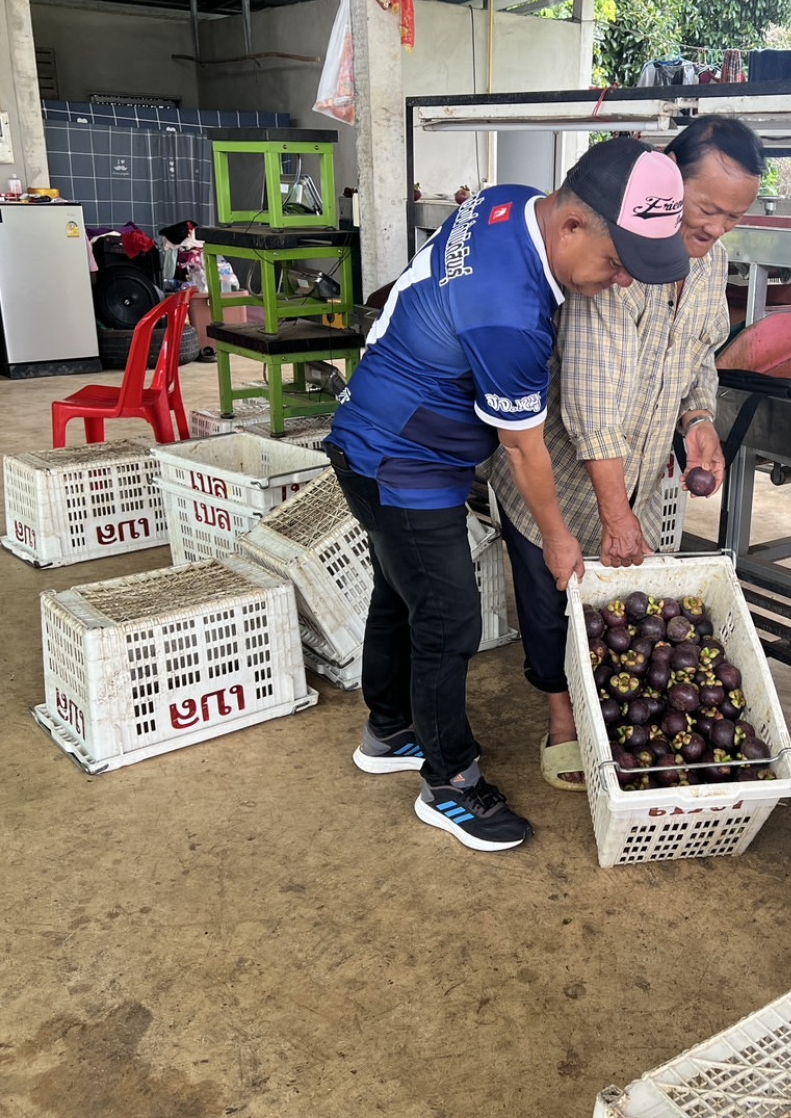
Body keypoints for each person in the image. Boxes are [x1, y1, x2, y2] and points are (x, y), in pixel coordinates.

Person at [325, 138, 689, 852]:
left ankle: (388, 729)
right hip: (400, 460)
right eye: (616, 262)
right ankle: (451, 784)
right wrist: (559, 538)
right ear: (573, 224)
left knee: (402, 593)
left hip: (376, 433)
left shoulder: (510, 201)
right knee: (449, 619)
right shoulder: (509, 314)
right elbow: (523, 450)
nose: (621, 281)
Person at [488, 116, 764, 790]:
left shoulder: (711, 263)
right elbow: (590, 405)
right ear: (668, 182)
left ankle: (603, 699)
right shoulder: (618, 257)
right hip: (557, 469)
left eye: (733, 217)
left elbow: (700, 354)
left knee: (608, 608)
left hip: (634, 470)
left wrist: (698, 420)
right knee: (551, 589)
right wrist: (616, 515)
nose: (716, 229)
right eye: (706, 209)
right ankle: (561, 717)